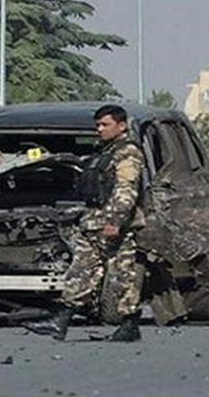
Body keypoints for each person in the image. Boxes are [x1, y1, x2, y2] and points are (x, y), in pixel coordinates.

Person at [23, 104, 146, 342]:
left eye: (105, 124)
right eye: (97, 125)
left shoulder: (128, 153)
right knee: (82, 271)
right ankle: (60, 320)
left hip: (113, 226)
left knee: (122, 274)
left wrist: (115, 221)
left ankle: (130, 324)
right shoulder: (104, 152)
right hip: (92, 224)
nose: (99, 129)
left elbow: (125, 190)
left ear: (121, 126)